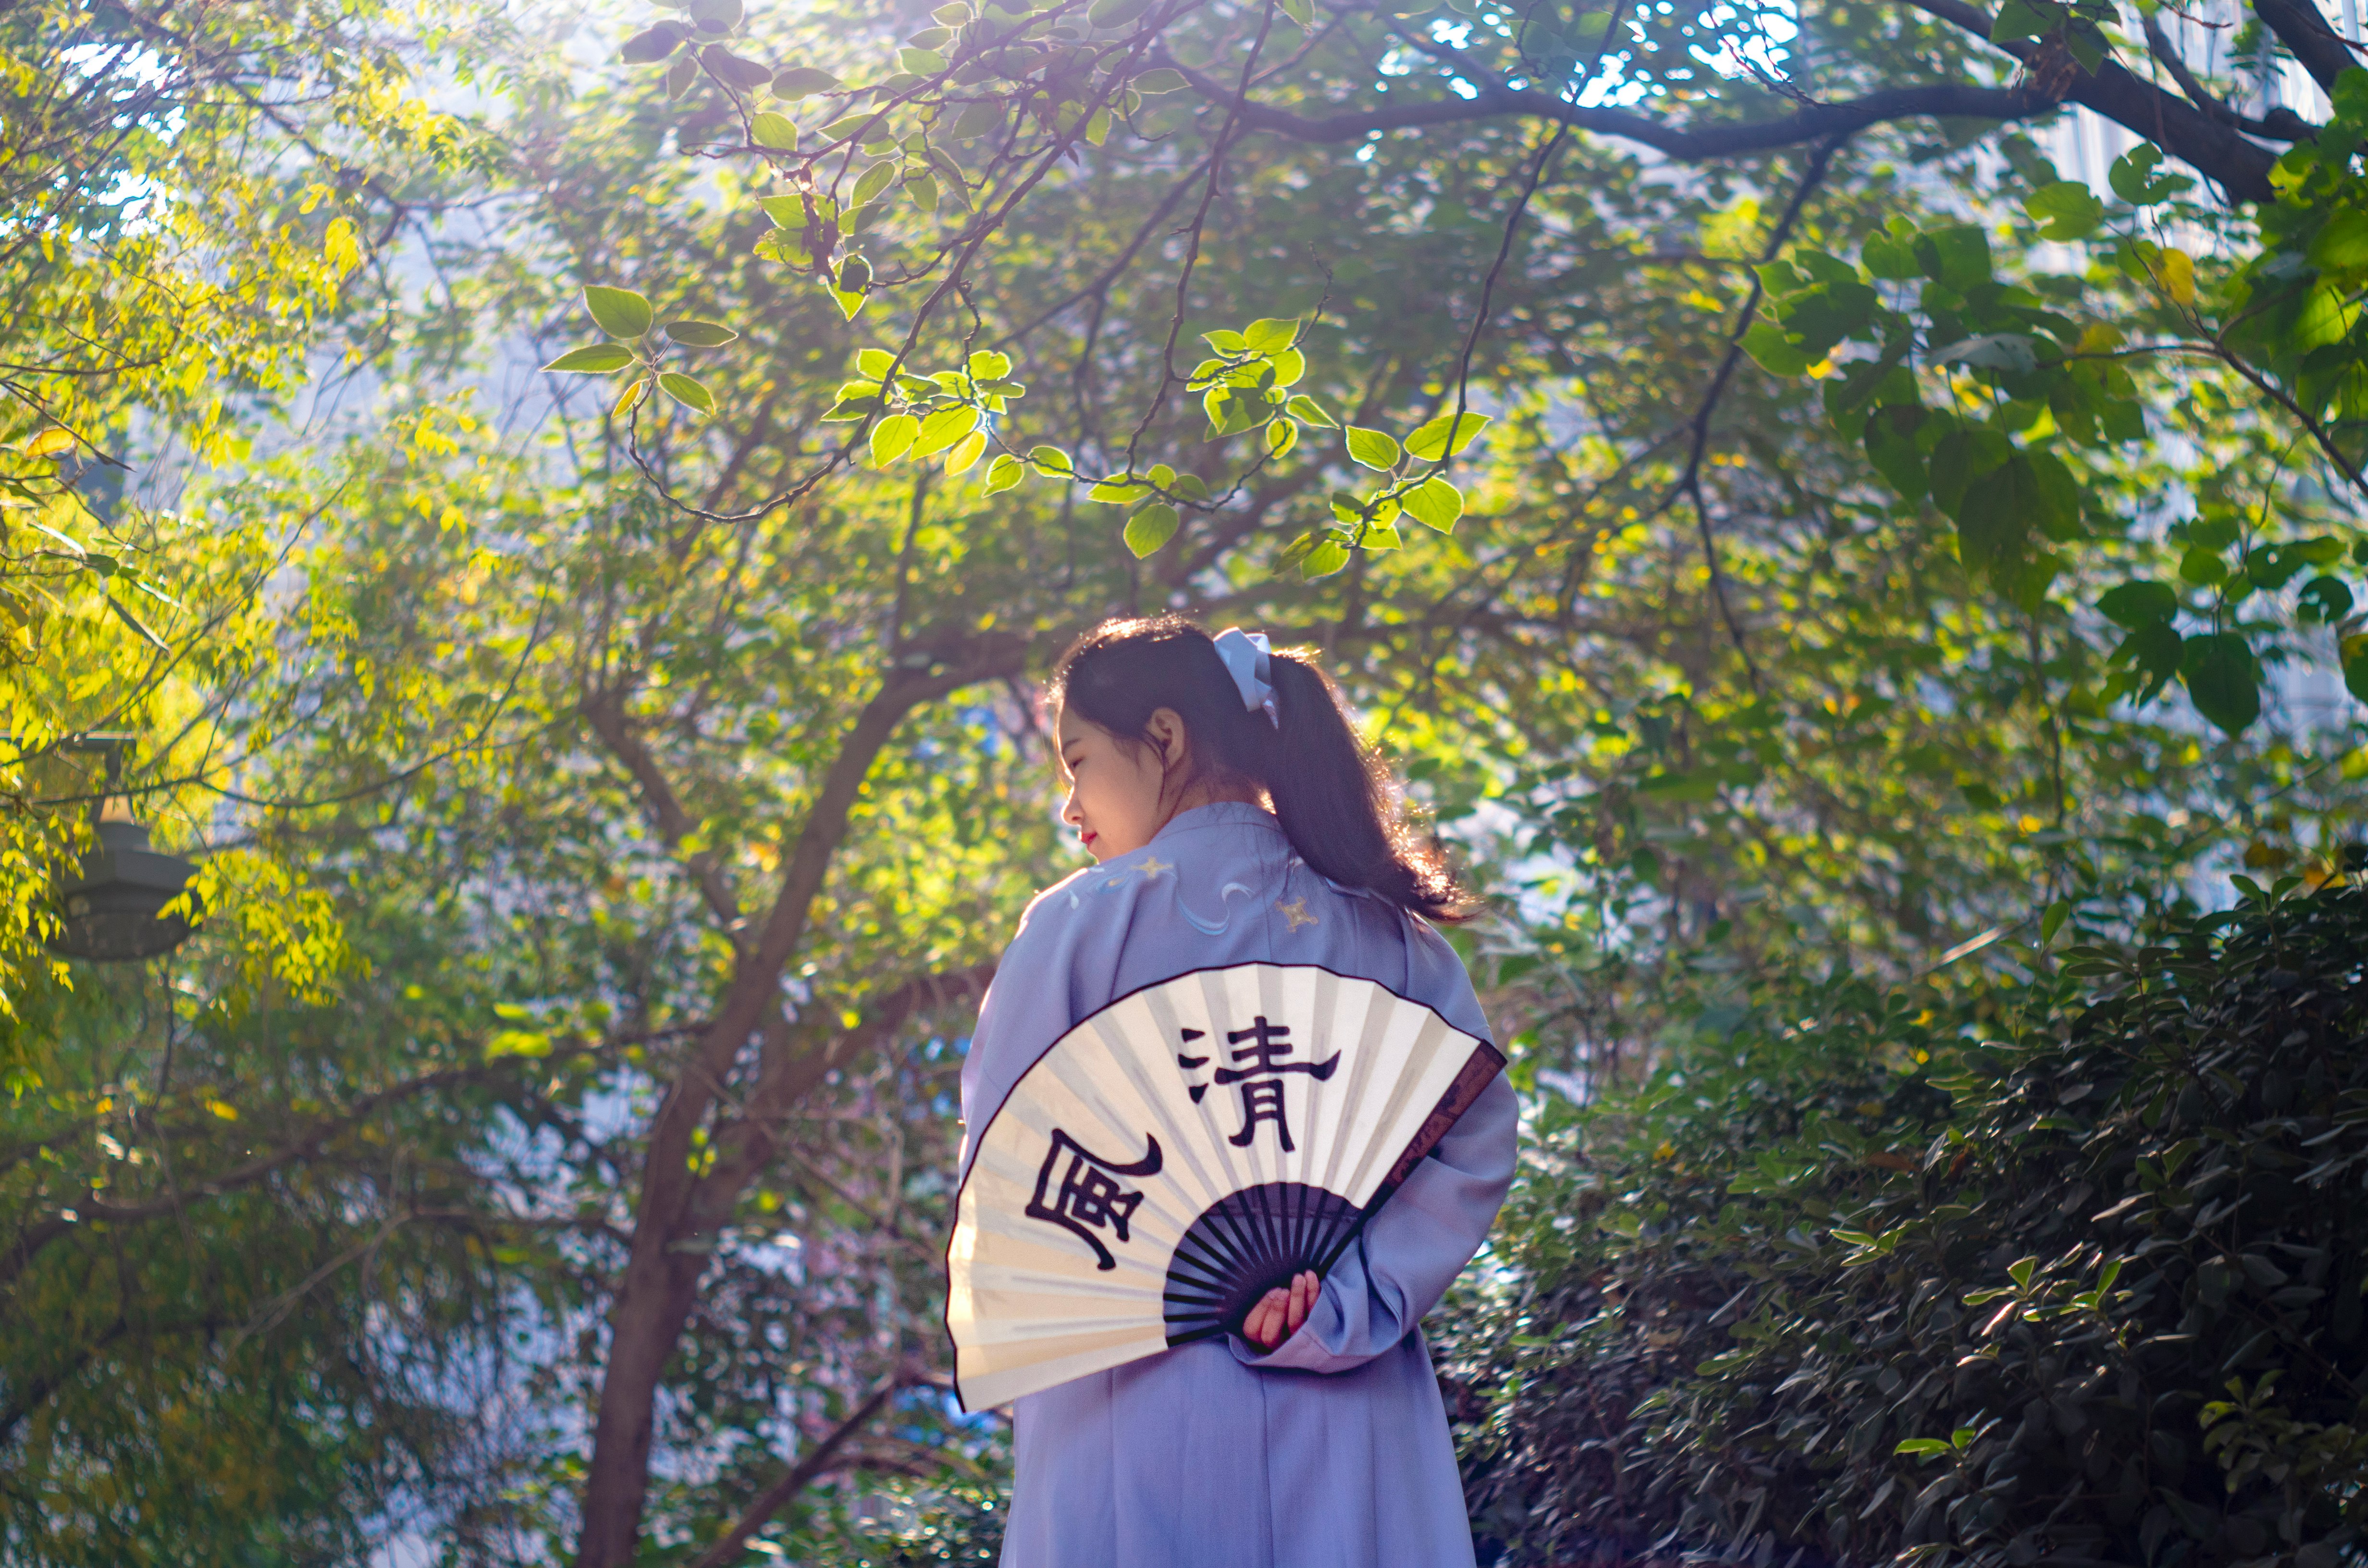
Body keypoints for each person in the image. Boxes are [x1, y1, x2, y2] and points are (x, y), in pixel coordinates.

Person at [956, 615, 1518, 1568]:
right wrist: (1342, 1300)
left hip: (1129, 1410)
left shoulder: (1075, 930)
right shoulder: (1389, 936)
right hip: (1351, 1407)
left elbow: (1011, 1174)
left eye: (1078, 761)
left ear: (1165, 739)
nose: (1070, 805)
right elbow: (1470, 1136)